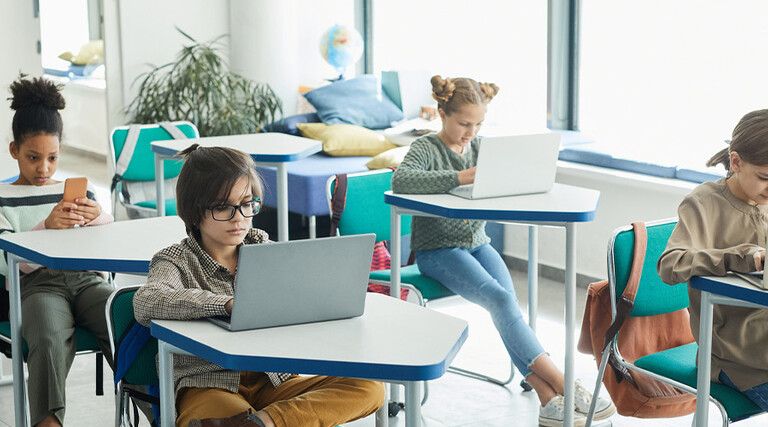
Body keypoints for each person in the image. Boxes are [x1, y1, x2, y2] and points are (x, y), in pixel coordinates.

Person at [391, 75, 616, 427]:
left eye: (478, 124)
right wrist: (462, 177)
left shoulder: (480, 148)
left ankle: (547, 399)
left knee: (507, 304)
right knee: (500, 300)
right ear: (441, 113)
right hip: (437, 251)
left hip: (479, 244)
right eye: (464, 123)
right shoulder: (427, 148)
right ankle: (563, 384)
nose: (470, 132)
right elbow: (402, 181)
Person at [133, 144, 385, 427]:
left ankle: (261, 423)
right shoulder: (176, 260)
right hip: (209, 383)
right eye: (222, 207)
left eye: (246, 203)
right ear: (194, 211)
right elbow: (147, 301)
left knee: (369, 388)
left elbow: (304, 297)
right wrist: (225, 304)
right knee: (218, 416)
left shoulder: (266, 250)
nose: (239, 216)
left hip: (273, 379)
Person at [0, 74, 114, 427]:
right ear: (14, 150)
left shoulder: (77, 189)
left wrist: (100, 217)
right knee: (48, 337)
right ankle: (47, 423)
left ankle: (158, 409)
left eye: (52, 157)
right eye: (33, 157)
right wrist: (46, 226)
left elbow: (106, 244)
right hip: (36, 286)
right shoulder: (4, 200)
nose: (44, 168)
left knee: (126, 317)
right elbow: (8, 264)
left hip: (84, 279)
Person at [658, 109, 768, 411]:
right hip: (736, 358)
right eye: (764, 178)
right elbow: (670, 264)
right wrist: (740, 257)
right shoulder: (704, 203)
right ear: (736, 162)